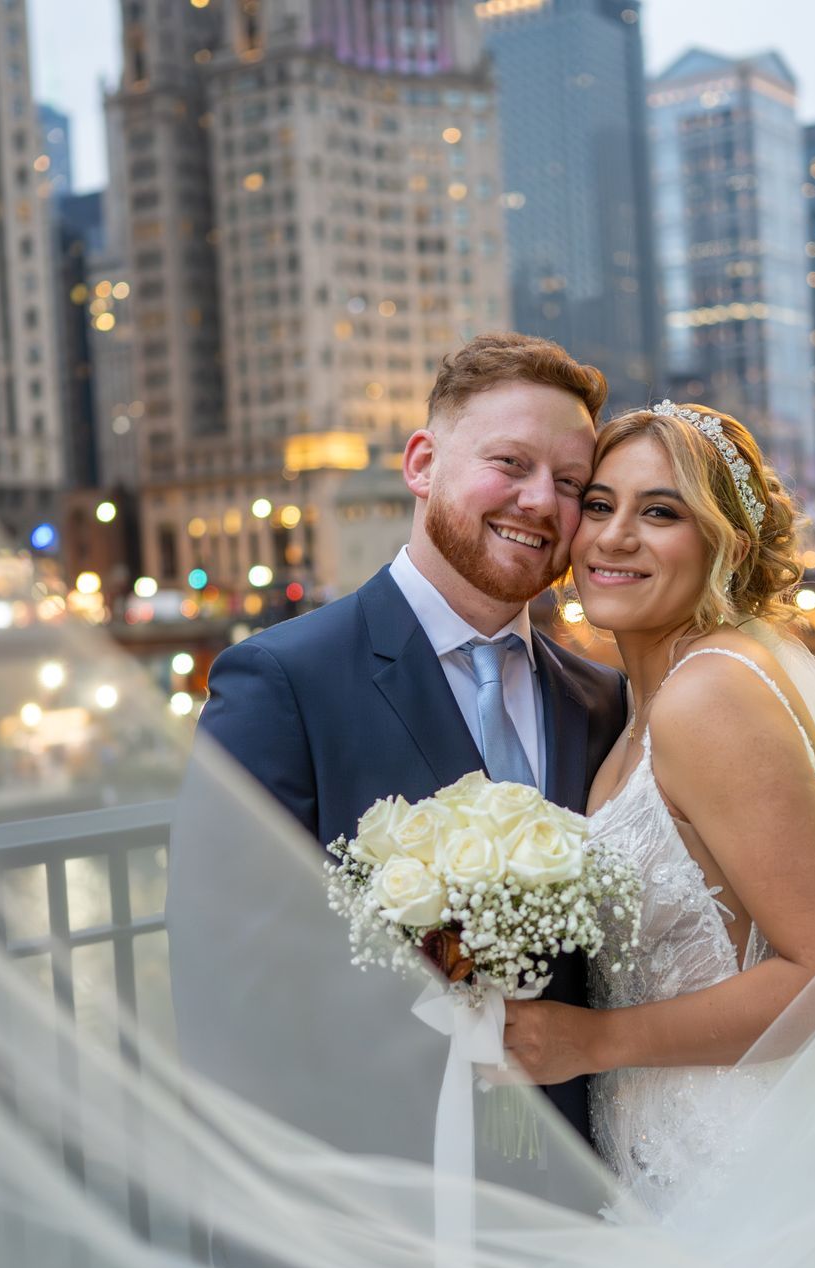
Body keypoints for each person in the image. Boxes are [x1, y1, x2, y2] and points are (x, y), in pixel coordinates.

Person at [496, 402, 815, 1268]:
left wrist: (592, 1042)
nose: (613, 538)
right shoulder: (648, 699)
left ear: (727, 549)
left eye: (660, 513)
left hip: (736, 1169)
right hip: (663, 1158)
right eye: (599, 505)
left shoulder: (708, 699)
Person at [178, 332, 629, 1141]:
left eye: (570, 484)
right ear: (422, 464)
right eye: (510, 464)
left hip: (576, 1194)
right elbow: (228, 989)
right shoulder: (280, 683)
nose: (539, 502)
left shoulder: (601, 702)